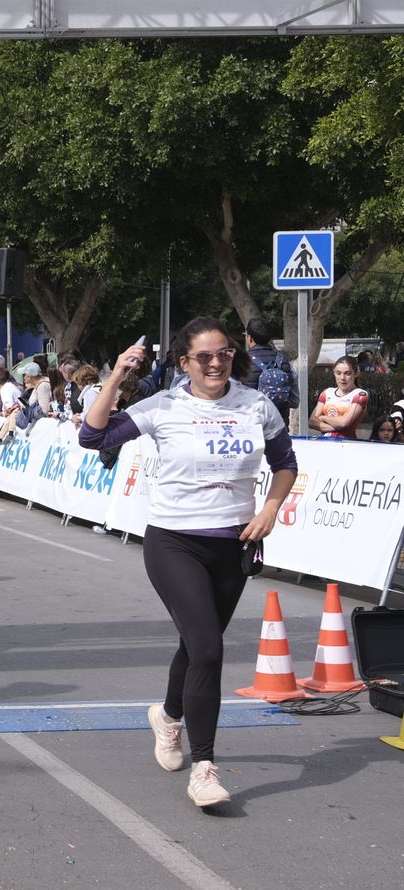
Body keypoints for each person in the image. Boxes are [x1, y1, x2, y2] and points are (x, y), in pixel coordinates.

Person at [79, 316, 296, 809]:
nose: (216, 362)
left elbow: (286, 464)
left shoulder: (256, 405)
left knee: (198, 647)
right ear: (185, 363)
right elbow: (93, 439)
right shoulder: (164, 406)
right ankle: (204, 768)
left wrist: (269, 508)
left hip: (233, 545)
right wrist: (115, 376)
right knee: (209, 650)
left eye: (223, 353)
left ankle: (169, 716)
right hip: (174, 542)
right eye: (204, 356)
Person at [242, 318, 295, 425]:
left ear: (250, 338)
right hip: (280, 425)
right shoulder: (283, 361)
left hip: (251, 426)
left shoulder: (242, 361)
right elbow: (294, 400)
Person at [310, 355, 368, 439]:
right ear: (334, 373)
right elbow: (312, 422)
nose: (342, 378)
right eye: (338, 373)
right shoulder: (327, 392)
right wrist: (337, 427)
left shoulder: (360, 394)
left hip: (347, 444)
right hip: (324, 444)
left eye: (347, 373)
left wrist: (322, 417)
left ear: (356, 373)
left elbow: (344, 423)